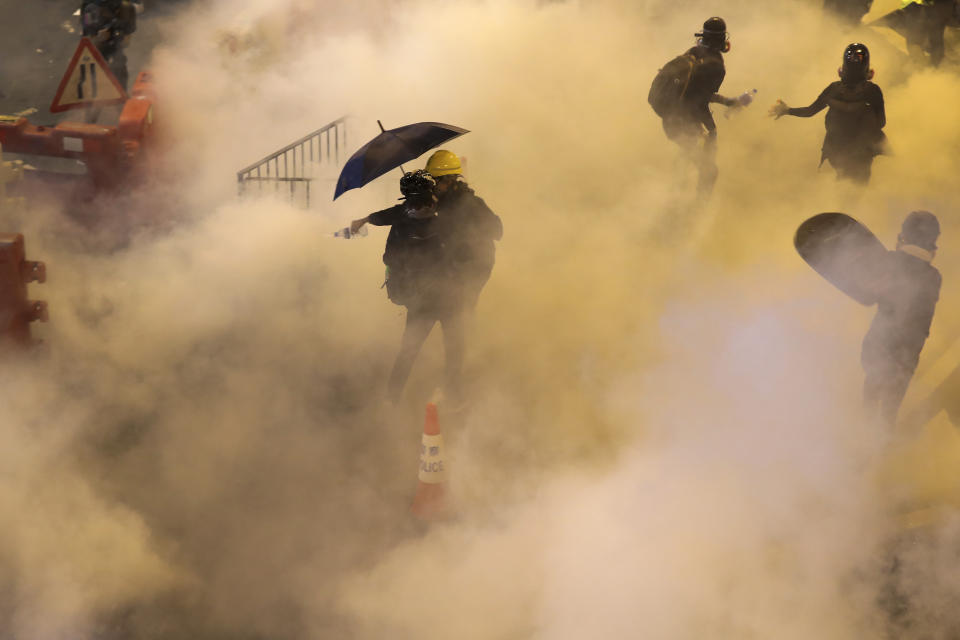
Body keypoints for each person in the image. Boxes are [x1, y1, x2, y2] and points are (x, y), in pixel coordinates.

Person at [349, 170, 465, 405]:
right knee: (454, 347)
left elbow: (389, 254)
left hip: (422, 300)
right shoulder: (446, 217)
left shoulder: (404, 220)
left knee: (409, 351)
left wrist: (366, 219)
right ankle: (452, 396)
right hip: (447, 297)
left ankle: (392, 399)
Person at [861, 211, 941, 428]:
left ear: (904, 234)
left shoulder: (891, 261)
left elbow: (868, 293)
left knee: (870, 399)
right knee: (889, 409)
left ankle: (863, 445)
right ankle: (880, 448)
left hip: (880, 344)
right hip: (908, 354)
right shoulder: (934, 277)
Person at [650, 17, 744, 199]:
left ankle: (674, 200)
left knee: (686, 158)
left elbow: (693, 93)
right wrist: (711, 129)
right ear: (723, 39)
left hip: (670, 120)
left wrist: (726, 101)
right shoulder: (717, 67)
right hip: (685, 124)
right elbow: (700, 101)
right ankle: (696, 212)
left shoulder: (693, 52)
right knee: (709, 171)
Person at [770, 43, 886, 184]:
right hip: (862, 152)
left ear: (843, 68)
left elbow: (809, 111)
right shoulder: (873, 90)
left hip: (836, 150)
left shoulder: (833, 89)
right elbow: (881, 122)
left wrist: (787, 110)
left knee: (842, 185)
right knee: (858, 187)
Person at [424, 150, 503, 311]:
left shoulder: (470, 203)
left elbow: (497, 230)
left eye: (436, 180)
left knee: (460, 310)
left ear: (449, 180)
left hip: (473, 266)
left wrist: (467, 236)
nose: (432, 185)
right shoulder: (441, 203)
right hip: (454, 264)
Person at [874, 0, 959, 67]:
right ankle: (937, 69)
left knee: (915, 42)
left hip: (918, 9)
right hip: (940, 7)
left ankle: (924, 71)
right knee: (936, 41)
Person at [80, 0, 137, 90]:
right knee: (91, 70)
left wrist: (119, 37)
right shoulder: (89, 7)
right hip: (96, 52)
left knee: (119, 63)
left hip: (115, 48)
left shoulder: (126, 8)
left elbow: (127, 37)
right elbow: (87, 34)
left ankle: (119, 94)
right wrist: (97, 37)